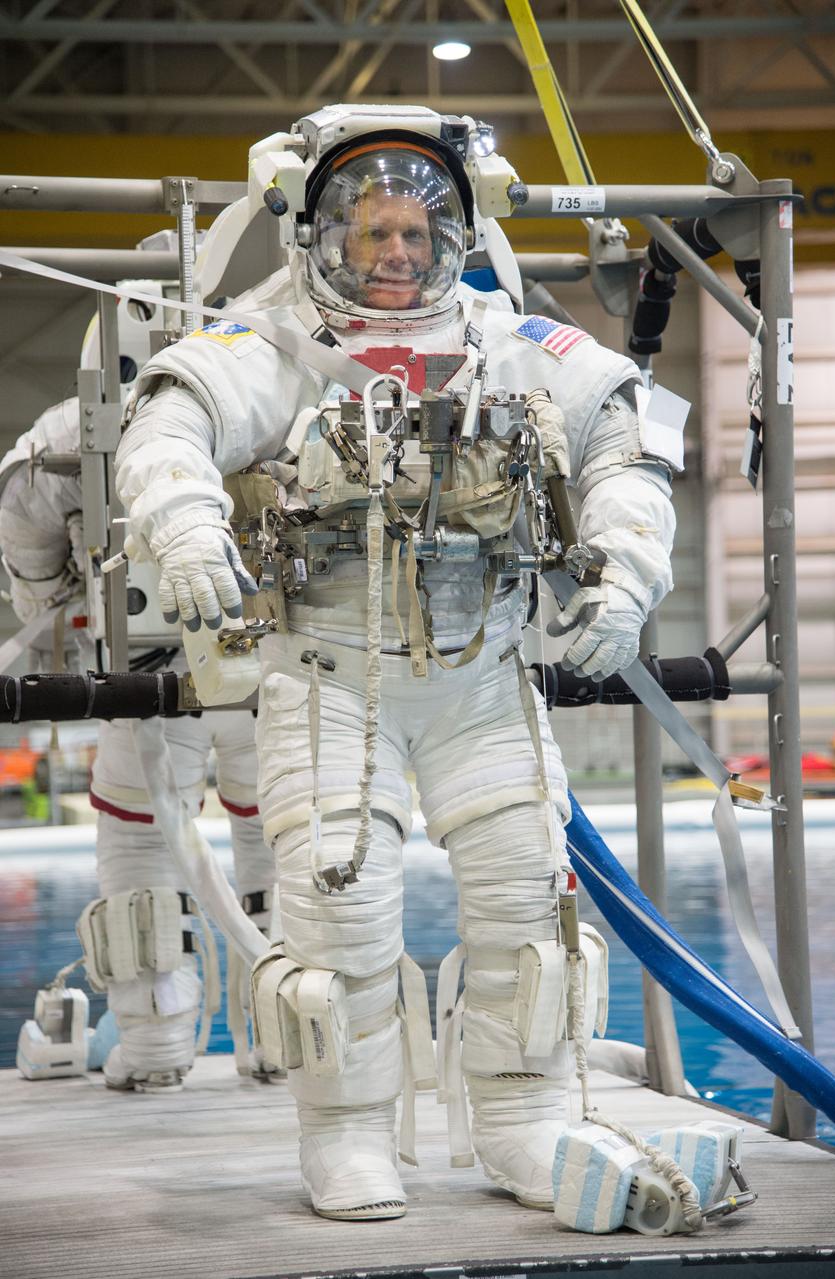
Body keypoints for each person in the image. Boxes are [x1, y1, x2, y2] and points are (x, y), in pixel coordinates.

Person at [114, 106, 677, 1213]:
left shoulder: (511, 341)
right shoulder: (269, 344)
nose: (395, 256)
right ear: (324, 236)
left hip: (482, 678)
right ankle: (346, 1135)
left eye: (416, 237)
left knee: (524, 895)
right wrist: (182, 524)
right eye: (372, 235)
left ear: (451, 240)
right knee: (339, 908)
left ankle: (523, 1122)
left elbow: (626, 445)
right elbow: (164, 429)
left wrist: (627, 573)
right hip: (329, 679)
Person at [1, 388, 277, 1091]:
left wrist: (46, 602)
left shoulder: (76, 427)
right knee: (280, 832)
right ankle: (286, 1042)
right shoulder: (264, 398)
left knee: (141, 837)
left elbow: (22, 507)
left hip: (152, 670)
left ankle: (156, 1045)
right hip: (269, 662)